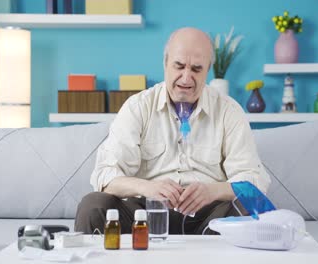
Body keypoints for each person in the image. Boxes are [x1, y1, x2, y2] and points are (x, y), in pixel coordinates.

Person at [74, 27, 270, 235]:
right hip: (144, 214)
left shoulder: (229, 111)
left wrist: (212, 191)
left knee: (250, 207)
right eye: (179, 66)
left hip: (208, 217)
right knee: (93, 205)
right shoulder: (138, 107)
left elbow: (253, 182)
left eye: (196, 69)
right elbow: (105, 177)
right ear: (165, 63)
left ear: (208, 70)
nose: (186, 78)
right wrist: (147, 188)